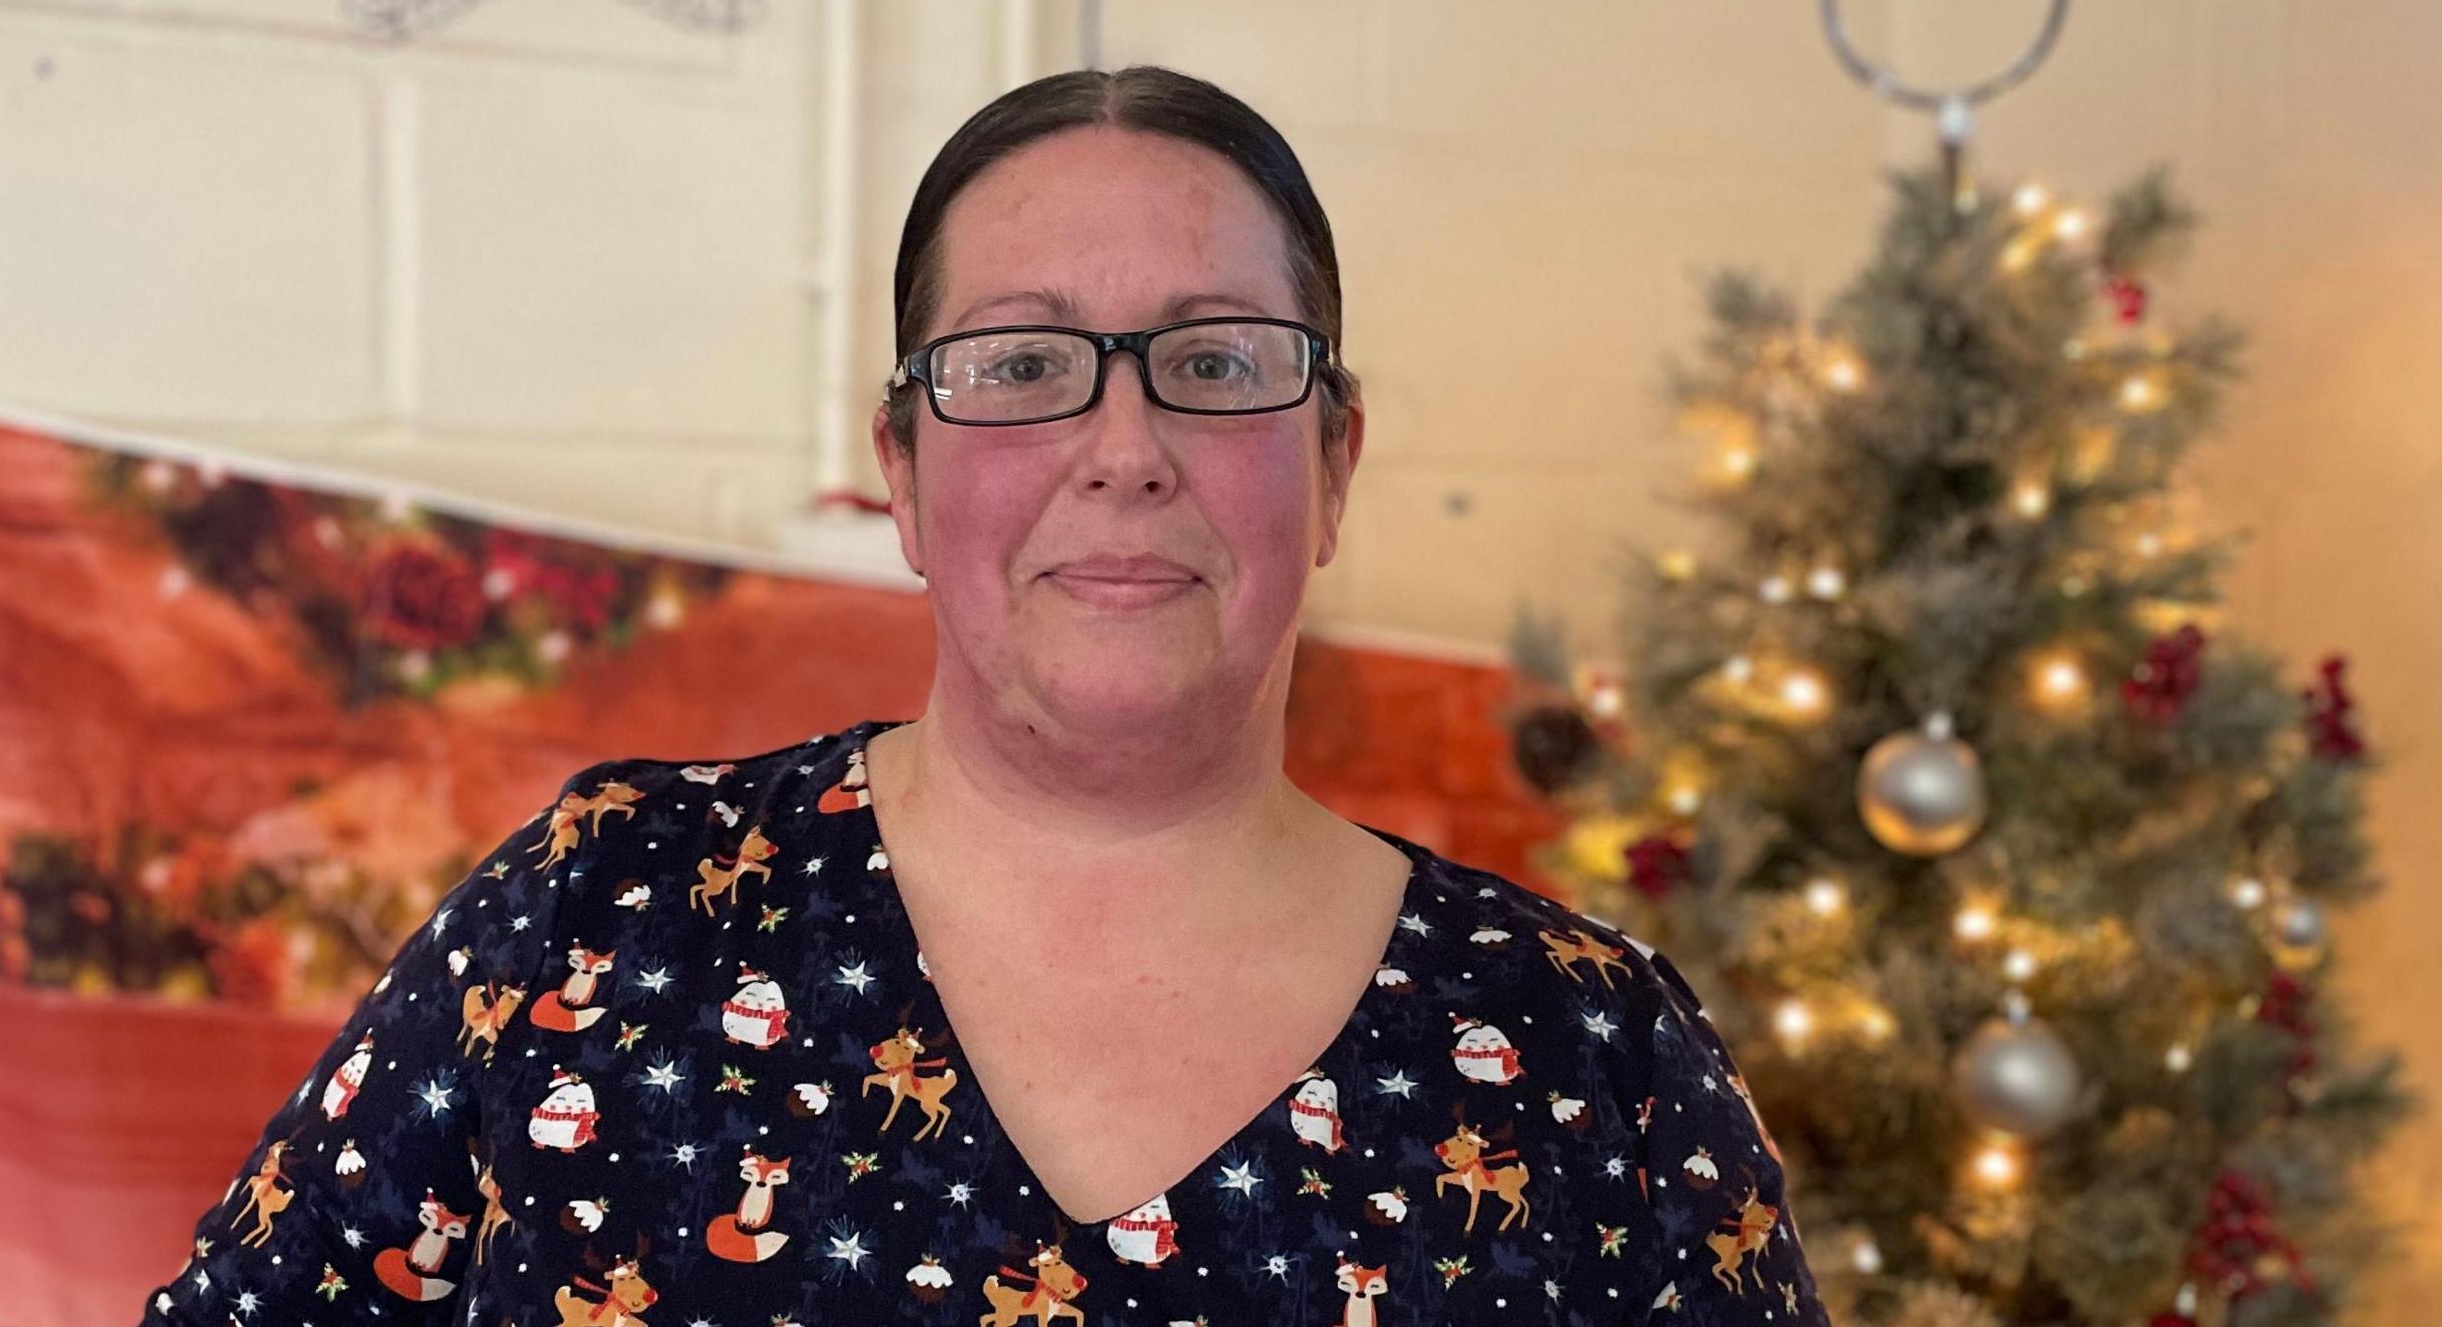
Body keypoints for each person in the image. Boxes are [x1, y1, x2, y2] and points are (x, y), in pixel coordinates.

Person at [138, 65, 1827, 1324]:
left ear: (1332, 467)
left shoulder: (1586, 1058)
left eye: (1218, 362)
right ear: (903, 470)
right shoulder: (603, 924)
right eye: (1021, 364)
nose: (1123, 450)